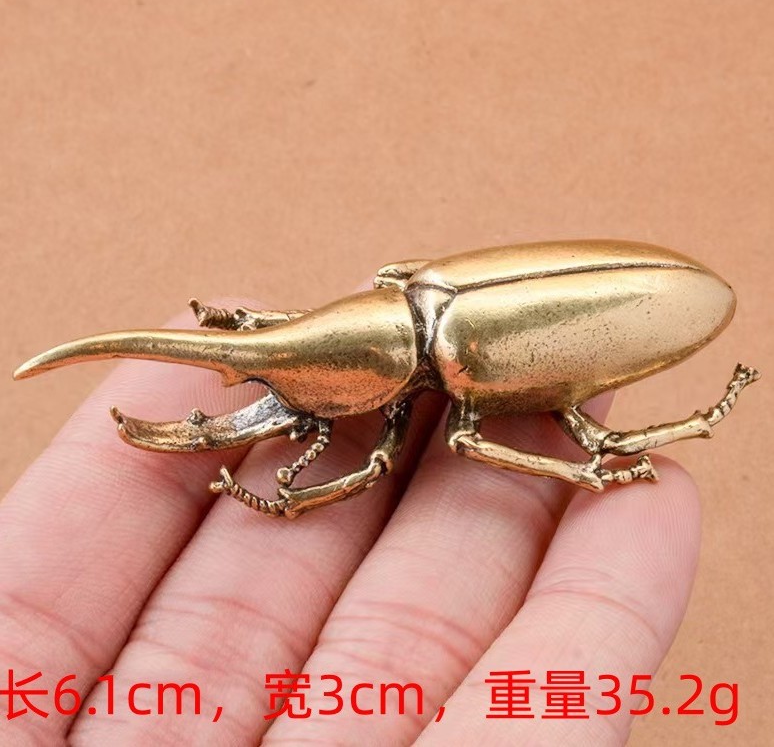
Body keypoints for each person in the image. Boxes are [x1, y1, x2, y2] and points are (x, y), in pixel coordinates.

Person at [0, 300, 700, 745]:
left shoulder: (443, 363)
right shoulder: (409, 294)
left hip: (549, 328)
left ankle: (589, 467)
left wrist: (584, 473)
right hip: (446, 301)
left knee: (452, 443)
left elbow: (371, 468)